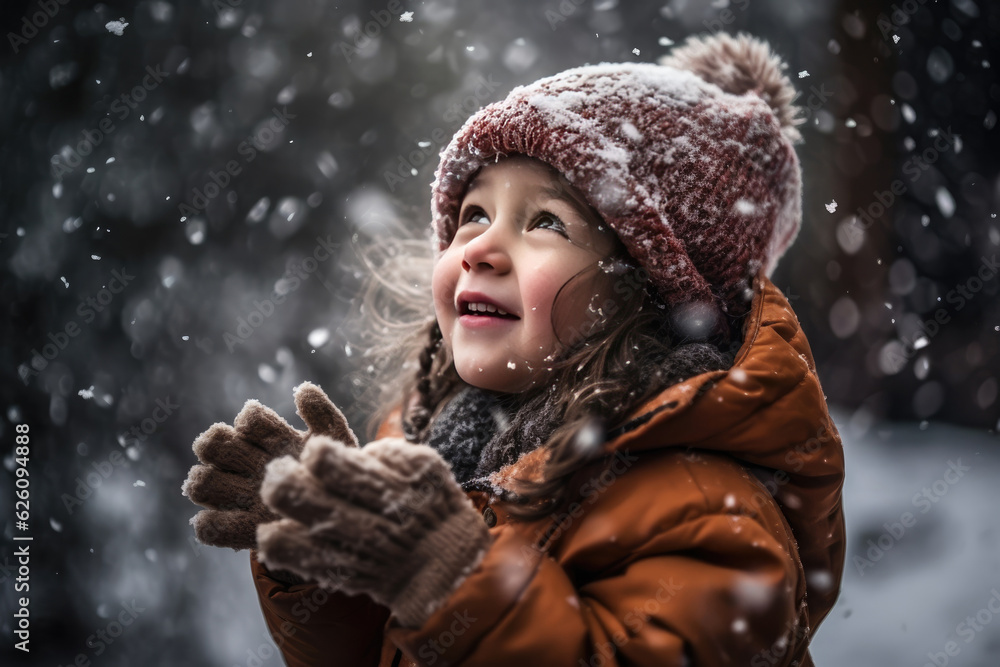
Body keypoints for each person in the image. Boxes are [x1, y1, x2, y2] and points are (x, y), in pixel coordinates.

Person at [182, 31, 845, 667]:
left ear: (651, 292)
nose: (479, 249)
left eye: (545, 222)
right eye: (473, 213)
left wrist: (454, 578)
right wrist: (327, 550)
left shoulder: (707, 506)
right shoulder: (430, 441)